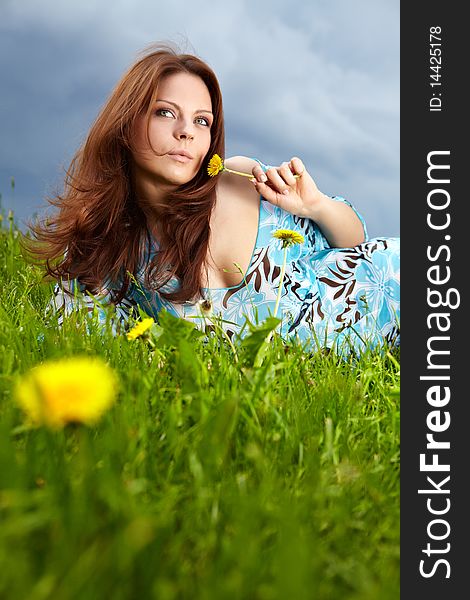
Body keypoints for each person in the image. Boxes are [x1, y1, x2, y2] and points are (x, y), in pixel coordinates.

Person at [27, 42, 400, 355]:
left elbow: (356, 244)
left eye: (202, 121)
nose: (186, 131)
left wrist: (315, 206)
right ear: (126, 122)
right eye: (165, 113)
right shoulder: (108, 245)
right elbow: (74, 343)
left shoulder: (239, 178)